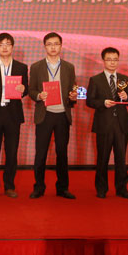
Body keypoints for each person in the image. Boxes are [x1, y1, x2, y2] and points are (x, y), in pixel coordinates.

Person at [28, 32, 78, 199]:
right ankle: (38, 187)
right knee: (40, 153)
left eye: (56, 44)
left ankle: (62, 188)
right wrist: (38, 95)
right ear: (45, 47)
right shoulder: (36, 67)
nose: (53, 47)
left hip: (62, 115)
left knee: (62, 153)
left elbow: (72, 89)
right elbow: (31, 90)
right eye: (49, 44)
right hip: (45, 114)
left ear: (61, 46)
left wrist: (73, 96)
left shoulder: (69, 67)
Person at [0, 32, 28, 198]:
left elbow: (26, 88)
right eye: (1, 44)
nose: (5, 47)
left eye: (8, 44)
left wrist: (23, 90)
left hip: (13, 114)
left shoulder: (21, 67)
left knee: (11, 152)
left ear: (12, 47)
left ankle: (9, 186)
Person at [85, 47, 128, 199]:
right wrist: (103, 103)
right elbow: (89, 101)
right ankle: (101, 189)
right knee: (102, 159)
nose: (112, 62)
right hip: (103, 124)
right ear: (103, 61)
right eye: (109, 59)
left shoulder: (125, 79)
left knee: (121, 159)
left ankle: (122, 189)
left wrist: (126, 97)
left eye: (115, 60)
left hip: (121, 124)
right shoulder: (95, 79)